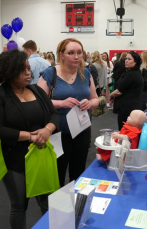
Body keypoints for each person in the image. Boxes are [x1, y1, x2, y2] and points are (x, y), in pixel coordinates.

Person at [0, 49, 59, 229]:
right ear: (8, 71)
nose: (28, 73)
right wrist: (30, 137)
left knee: (47, 202)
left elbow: (54, 115)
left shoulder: (36, 90)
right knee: (19, 205)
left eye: (28, 69)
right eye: (22, 69)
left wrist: (47, 130)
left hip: (41, 156)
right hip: (13, 159)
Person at [37, 38, 98, 186]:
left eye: (79, 53)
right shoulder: (49, 74)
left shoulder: (86, 73)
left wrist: (89, 103)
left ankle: (77, 204)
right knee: (57, 174)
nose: (76, 56)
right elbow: (38, 103)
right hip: (57, 132)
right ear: (61, 55)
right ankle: (57, 207)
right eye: (71, 53)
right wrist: (61, 103)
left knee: (78, 174)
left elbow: (95, 99)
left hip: (81, 130)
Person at [110, 51, 144, 131]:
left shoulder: (131, 74)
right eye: (126, 59)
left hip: (127, 109)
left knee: (124, 131)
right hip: (131, 107)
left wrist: (111, 95)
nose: (126, 60)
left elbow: (119, 91)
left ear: (135, 62)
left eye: (129, 59)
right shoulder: (134, 72)